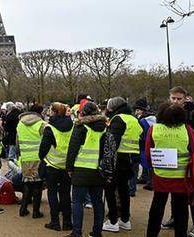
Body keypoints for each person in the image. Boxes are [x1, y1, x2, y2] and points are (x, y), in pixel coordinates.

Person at [145, 102, 194, 237]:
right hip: (182, 177)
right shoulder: (187, 130)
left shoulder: (154, 129)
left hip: (160, 175)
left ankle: (151, 234)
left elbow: (147, 153)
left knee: (157, 206)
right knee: (181, 209)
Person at [66, 102, 107, 237]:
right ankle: (97, 232)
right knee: (98, 203)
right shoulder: (104, 128)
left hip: (81, 168)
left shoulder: (80, 127)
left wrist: (69, 167)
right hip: (98, 169)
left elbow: (73, 148)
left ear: (83, 112)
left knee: (77, 202)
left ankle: (77, 232)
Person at [103, 97, 143, 232]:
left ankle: (112, 220)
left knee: (110, 188)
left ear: (113, 107)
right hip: (131, 159)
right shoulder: (133, 119)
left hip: (118, 158)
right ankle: (125, 219)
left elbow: (112, 142)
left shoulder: (118, 119)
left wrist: (106, 162)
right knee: (123, 189)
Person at [40, 102, 74, 231]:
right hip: (67, 165)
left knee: (52, 193)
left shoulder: (50, 127)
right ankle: (67, 222)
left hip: (52, 165)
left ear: (53, 112)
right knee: (65, 194)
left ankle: (55, 221)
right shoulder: (72, 125)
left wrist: (42, 157)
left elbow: (43, 148)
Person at [16, 103, 46, 218]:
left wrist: (19, 154)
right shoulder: (42, 124)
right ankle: (36, 211)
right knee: (38, 185)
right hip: (38, 157)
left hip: (25, 157)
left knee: (27, 183)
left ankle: (23, 209)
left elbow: (17, 142)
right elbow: (45, 142)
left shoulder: (20, 124)